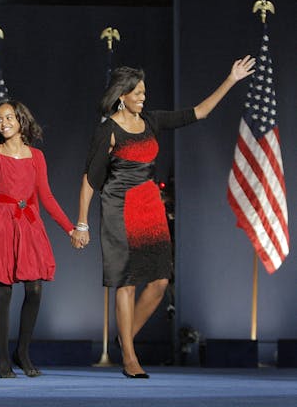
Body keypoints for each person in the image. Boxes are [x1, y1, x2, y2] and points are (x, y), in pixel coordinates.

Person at [71, 57, 256, 378]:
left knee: (159, 283)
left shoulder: (152, 121)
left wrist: (231, 79)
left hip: (149, 208)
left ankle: (124, 338)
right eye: (138, 93)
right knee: (125, 283)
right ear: (122, 96)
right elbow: (90, 179)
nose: (143, 97)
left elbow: (199, 112)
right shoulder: (108, 131)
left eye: (144, 92)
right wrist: (82, 223)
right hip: (118, 209)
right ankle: (130, 358)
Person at [0, 100, 78, 378]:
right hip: (0, 224)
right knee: (4, 290)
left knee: (34, 290)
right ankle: (3, 360)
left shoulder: (37, 156)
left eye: (9, 117)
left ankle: (22, 351)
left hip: (29, 224)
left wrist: (70, 229)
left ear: (21, 120)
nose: (3, 123)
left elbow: (46, 197)